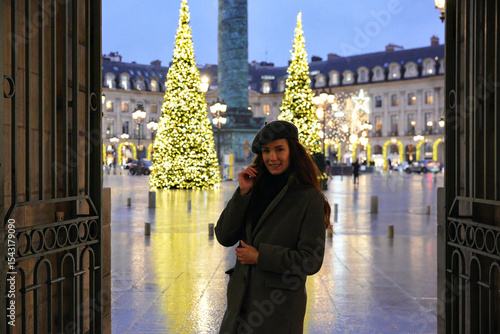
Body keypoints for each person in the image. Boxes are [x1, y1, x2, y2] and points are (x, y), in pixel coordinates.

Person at [215, 121, 331, 334]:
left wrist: (260, 256)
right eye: (266, 151)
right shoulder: (252, 189)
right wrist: (242, 194)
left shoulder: (309, 198)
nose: (272, 157)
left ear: (293, 152)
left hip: (277, 309)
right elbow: (223, 236)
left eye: (279, 150)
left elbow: (311, 260)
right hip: (240, 303)